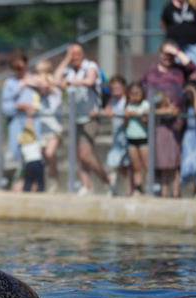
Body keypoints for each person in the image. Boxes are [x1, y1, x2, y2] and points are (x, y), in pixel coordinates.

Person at [54, 43, 115, 196]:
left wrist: (70, 83)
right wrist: (66, 60)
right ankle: (86, 186)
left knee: (85, 154)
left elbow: (89, 81)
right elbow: (56, 81)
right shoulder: (69, 70)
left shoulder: (90, 66)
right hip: (75, 117)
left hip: (90, 117)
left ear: (83, 54)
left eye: (77, 54)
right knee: (79, 154)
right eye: (71, 54)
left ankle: (107, 178)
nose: (75, 57)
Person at [141, 40, 196, 198]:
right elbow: (140, 87)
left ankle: (175, 192)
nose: (167, 56)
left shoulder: (179, 70)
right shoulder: (151, 71)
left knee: (173, 157)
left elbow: (192, 67)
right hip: (155, 120)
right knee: (160, 158)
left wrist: (176, 52)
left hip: (175, 121)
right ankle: (161, 192)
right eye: (165, 53)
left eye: (170, 54)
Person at [97, 76, 131, 196]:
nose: (115, 91)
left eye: (117, 88)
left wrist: (116, 113)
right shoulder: (112, 99)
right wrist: (98, 112)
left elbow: (128, 113)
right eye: (112, 89)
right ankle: (129, 184)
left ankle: (130, 189)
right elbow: (106, 111)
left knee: (127, 162)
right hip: (116, 133)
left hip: (126, 133)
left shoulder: (127, 98)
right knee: (113, 162)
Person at [34, 59, 63, 193]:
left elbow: (55, 96)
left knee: (49, 153)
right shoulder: (35, 93)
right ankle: (51, 180)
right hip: (40, 130)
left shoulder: (55, 92)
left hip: (54, 129)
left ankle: (52, 179)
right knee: (42, 159)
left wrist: (48, 84)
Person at [160, 0, 196, 75]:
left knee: (194, 71)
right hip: (175, 46)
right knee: (175, 73)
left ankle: (192, 86)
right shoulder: (169, 7)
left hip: (192, 45)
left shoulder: (194, 4)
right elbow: (163, 23)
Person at [124, 83, 150, 196]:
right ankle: (138, 189)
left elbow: (146, 120)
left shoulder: (145, 104)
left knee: (147, 166)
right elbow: (125, 123)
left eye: (137, 94)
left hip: (143, 138)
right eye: (132, 94)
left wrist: (139, 114)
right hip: (131, 138)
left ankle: (149, 188)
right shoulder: (128, 106)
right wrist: (127, 115)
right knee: (136, 167)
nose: (135, 96)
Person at [18, 125, 44, 193]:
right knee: (40, 180)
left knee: (29, 180)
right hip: (38, 162)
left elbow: (23, 158)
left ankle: (26, 191)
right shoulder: (36, 143)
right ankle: (40, 192)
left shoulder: (23, 145)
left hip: (29, 163)